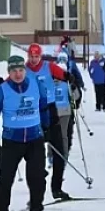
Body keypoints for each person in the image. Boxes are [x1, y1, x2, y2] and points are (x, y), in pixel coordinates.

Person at [0, 55, 51, 211]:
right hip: (11, 142)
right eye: (14, 71)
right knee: (5, 180)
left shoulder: (37, 84)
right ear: (9, 72)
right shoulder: (1, 90)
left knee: (37, 178)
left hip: (34, 139)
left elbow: (43, 106)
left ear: (25, 70)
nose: (18, 74)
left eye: (21, 70)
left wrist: (46, 127)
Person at [25, 43, 72, 200]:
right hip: (33, 113)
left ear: (40, 56)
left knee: (59, 150)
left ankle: (57, 188)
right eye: (31, 56)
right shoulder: (23, 70)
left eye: (36, 56)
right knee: (35, 154)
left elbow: (63, 74)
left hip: (51, 110)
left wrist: (69, 77)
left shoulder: (49, 66)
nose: (34, 59)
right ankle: (36, 194)